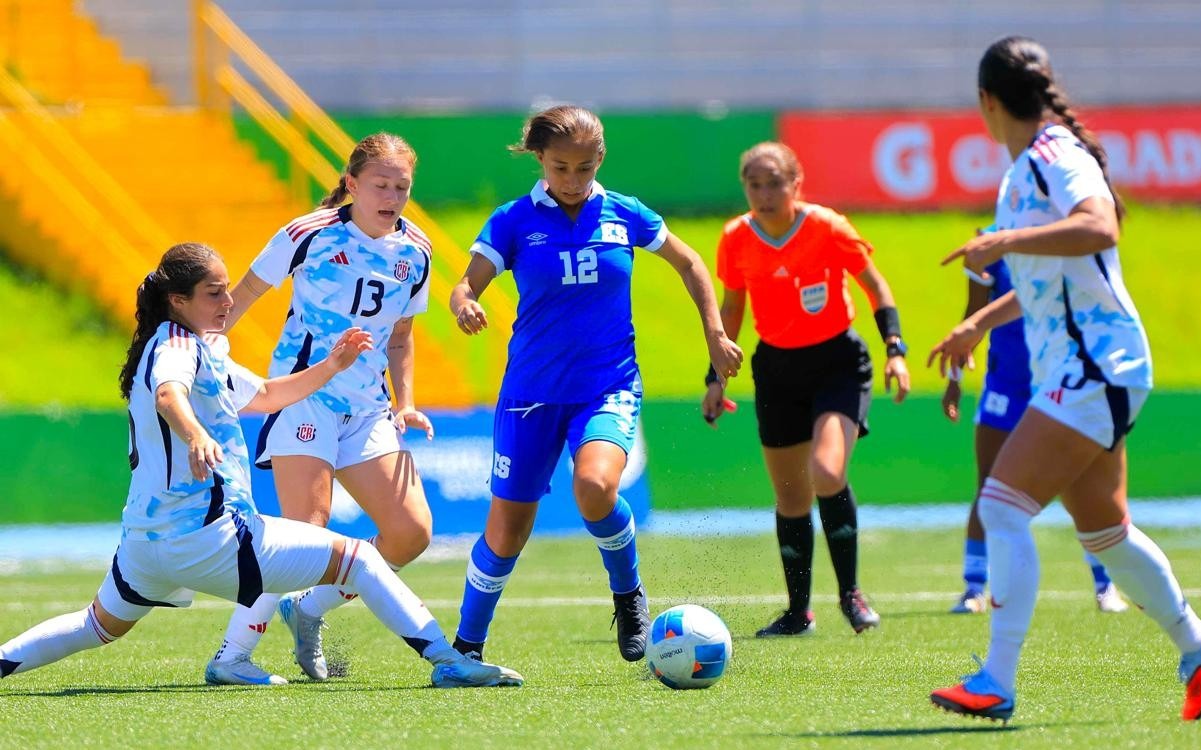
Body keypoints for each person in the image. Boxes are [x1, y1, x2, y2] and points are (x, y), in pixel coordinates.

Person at [0, 244, 521, 689]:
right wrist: (197, 434)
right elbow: (168, 393)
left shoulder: (196, 347)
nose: (229, 302)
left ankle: (230, 660)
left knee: (94, 627)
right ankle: (447, 662)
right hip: (209, 537)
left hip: (146, 542)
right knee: (359, 559)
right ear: (178, 302)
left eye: (228, 290)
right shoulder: (179, 346)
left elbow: (269, 394)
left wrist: (332, 366)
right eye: (214, 293)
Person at [927, 36, 1201, 723]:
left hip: (1096, 366)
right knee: (1105, 533)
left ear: (985, 101)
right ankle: (1199, 641)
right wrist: (982, 323)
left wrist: (1002, 242)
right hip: (1092, 366)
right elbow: (1050, 278)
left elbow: (1099, 228)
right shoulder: (1023, 171)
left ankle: (996, 680)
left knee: (1003, 505)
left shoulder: (1053, 155)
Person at [448, 105, 743, 663]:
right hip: (530, 393)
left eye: (584, 169)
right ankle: (467, 645)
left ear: (599, 160)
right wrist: (465, 305)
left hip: (607, 386)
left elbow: (690, 263)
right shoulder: (512, 221)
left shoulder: (625, 213)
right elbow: (465, 285)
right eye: (561, 168)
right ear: (540, 159)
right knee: (507, 533)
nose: (573, 181)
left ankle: (629, 596)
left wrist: (714, 333)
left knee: (596, 487)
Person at [205, 133, 437, 685]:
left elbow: (401, 337)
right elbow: (242, 295)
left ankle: (307, 610)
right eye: (381, 184)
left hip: (368, 411)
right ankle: (231, 656)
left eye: (402, 187)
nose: (392, 195)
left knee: (410, 534)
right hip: (303, 397)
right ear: (352, 184)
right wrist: (204, 359)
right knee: (306, 530)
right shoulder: (308, 233)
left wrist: (405, 404)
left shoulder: (417, 251)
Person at [702, 142, 910, 638]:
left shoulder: (827, 227)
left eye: (775, 183)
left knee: (826, 470)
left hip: (838, 361)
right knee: (791, 497)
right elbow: (732, 309)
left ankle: (851, 596)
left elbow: (877, 288)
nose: (765, 193)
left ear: (796, 185)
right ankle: (798, 613)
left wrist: (895, 349)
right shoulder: (735, 238)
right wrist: (715, 378)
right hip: (776, 369)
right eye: (754, 184)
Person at [942, 249, 1127, 615]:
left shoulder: (1068, 239)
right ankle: (973, 587)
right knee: (989, 486)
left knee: (1084, 488)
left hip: (1063, 381)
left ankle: (1106, 584)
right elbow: (973, 316)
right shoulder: (989, 245)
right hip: (1006, 385)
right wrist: (955, 380)